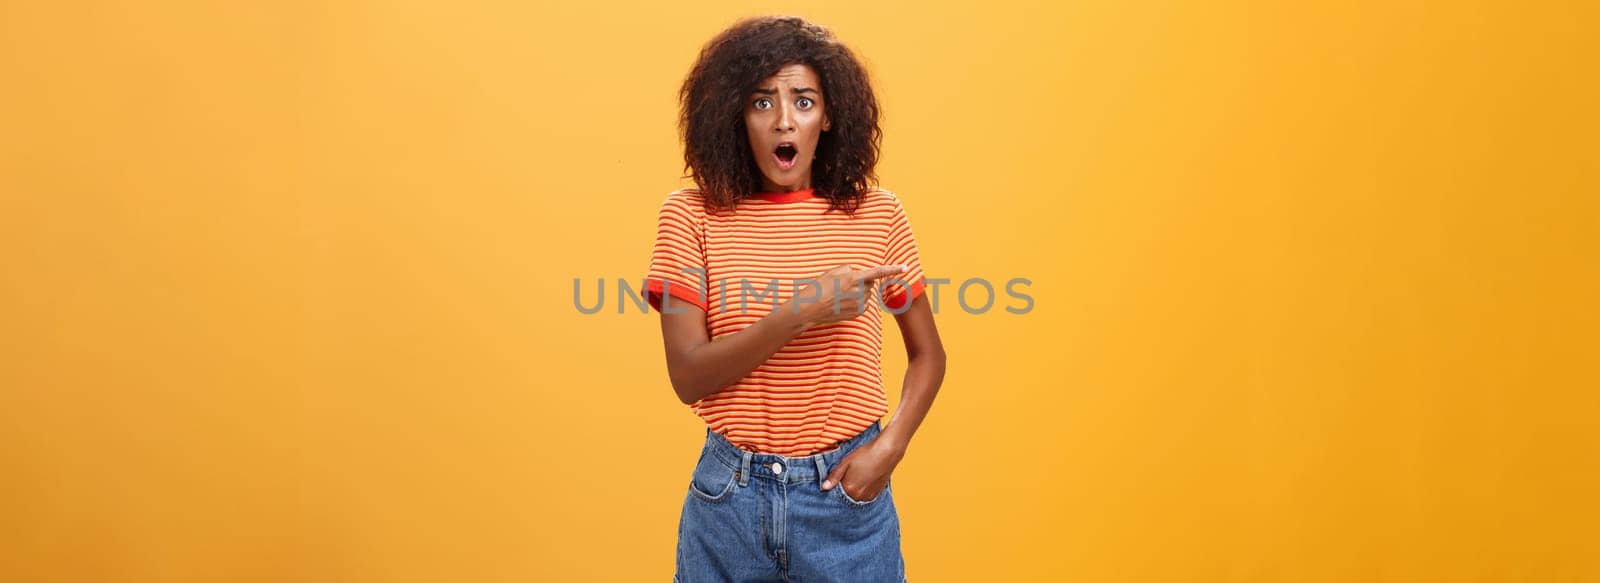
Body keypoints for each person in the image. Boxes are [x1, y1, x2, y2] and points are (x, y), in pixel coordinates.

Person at [646, 15, 947, 582]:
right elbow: (688, 375)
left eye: (803, 101)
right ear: (735, 115)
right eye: (762, 103)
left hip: (845, 499)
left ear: (828, 116)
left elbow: (929, 356)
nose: (784, 120)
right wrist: (802, 311)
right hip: (727, 502)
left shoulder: (878, 215)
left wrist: (891, 448)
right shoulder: (690, 216)